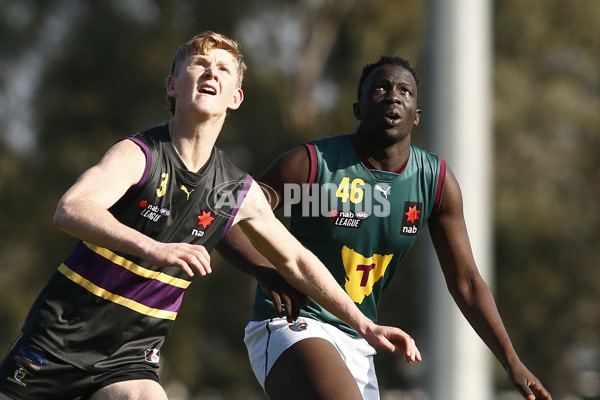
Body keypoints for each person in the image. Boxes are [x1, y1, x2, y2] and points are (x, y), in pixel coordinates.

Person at [0, 33, 422, 400]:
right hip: (56, 343)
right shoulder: (140, 154)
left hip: (129, 359)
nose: (210, 72)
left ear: (235, 97)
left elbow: (296, 260)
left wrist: (365, 325)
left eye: (223, 68)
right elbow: (71, 208)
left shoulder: (234, 189)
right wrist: (153, 248)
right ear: (172, 86)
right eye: (199, 63)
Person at [219, 55, 552, 400]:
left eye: (405, 92)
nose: (394, 96)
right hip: (293, 325)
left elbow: (466, 281)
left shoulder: (434, 182)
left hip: (361, 336)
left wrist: (512, 362)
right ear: (358, 109)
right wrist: (264, 270)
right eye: (381, 88)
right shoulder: (312, 164)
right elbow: (227, 215)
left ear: (417, 116)